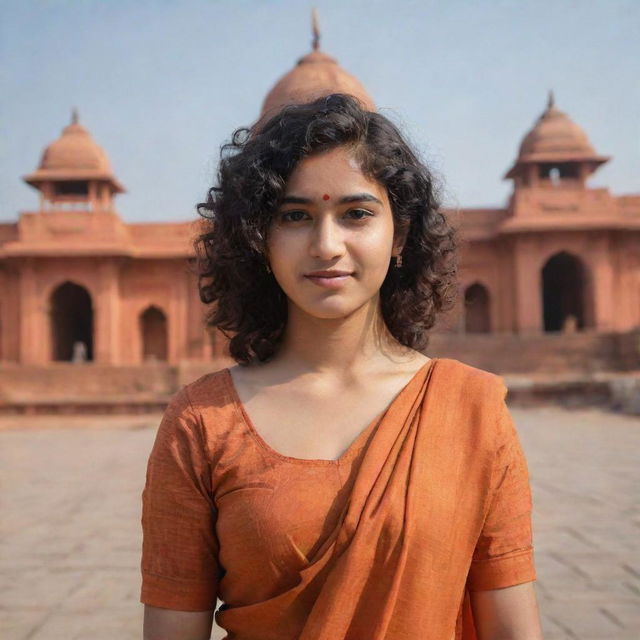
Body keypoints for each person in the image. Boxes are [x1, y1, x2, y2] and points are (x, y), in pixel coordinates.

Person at [140, 93, 543, 640]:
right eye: (295, 216)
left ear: (399, 234)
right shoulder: (204, 421)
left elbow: (513, 629)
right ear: (260, 239)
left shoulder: (470, 411)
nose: (327, 245)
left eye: (356, 214)